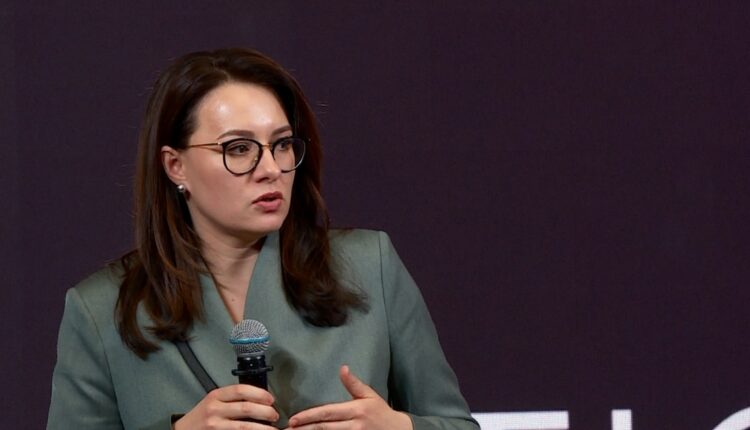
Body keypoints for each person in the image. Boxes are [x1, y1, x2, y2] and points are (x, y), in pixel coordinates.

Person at [47, 48, 478, 430]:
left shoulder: (369, 266)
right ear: (176, 166)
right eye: (239, 149)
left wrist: (400, 429)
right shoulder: (102, 311)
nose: (270, 168)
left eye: (282, 144)